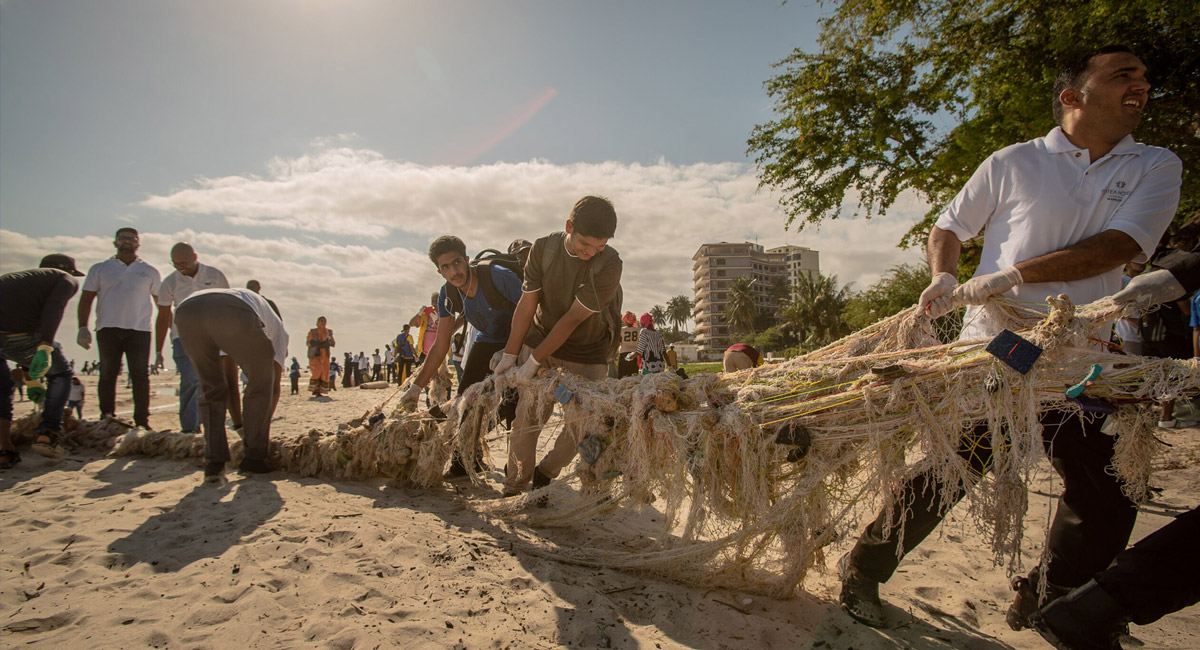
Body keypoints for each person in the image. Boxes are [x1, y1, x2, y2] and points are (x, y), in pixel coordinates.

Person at [837, 45, 1181, 630]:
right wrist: (945, 273)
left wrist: (1015, 274)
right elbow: (949, 225)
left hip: (1086, 352)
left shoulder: (1155, 164)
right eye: (1124, 75)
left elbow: (1121, 246)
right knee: (962, 461)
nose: (1141, 85)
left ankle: (1052, 594)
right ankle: (865, 567)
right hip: (1005, 345)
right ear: (1073, 97)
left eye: (1144, 78)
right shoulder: (1013, 161)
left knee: (1107, 483)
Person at [1030, 252, 1198, 650]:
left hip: (1089, 370)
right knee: (1101, 487)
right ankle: (1089, 606)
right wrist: (1176, 277)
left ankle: (1083, 603)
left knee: (1110, 493)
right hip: (1052, 370)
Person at [493, 196, 623, 497]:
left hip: (589, 351)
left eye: (599, 247)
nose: (591, 253)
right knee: (527, 419)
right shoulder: (543, 249)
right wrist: (511, 355)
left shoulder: (610, 264)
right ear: (569, 227)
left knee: (582, 424)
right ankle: (515, 486)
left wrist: (532, 363)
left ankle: (545, 473)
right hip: (542, 338)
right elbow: (527, 304)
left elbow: (572, 319)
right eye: (585, 245)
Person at [399, 235, 525, 475]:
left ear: (467, 259)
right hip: (488, 340)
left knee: (513, 406)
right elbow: (440, 345)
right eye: (445, 267)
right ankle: (463, 463)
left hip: (521, 339)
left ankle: (516, 469)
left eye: (457, 262)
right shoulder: (448, 294)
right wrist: (416, 388)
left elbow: (535, 311)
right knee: (465, 403)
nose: (454, 271)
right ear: (439, 271)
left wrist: (511, 350)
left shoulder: (498, 276)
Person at [174, 287, 288, 480]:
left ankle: (214, 462)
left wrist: (239, 425)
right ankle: (254, 459)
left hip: (187, 311)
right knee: (261, 383)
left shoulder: (247, 300)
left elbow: (228, 382)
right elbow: (271, 387)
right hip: (231, 310)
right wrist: (254, 435)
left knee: (211, 388)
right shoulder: (278, 329)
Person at [0, 254, 85, 465]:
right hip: (19, 334)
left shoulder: (19, 280)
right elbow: (54, 307)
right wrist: (46, 344)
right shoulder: (64, 278)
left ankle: (4, 449)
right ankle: (48, 432)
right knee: (61, 374)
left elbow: (17, 315)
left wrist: (32, 380)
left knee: (2, 389)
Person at [77, 228, 163, 428]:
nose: (127, 242)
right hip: (107, 328)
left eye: (132, 239)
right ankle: (107, 416)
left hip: (140, 330)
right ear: (115, 242)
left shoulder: (149, 271)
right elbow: (86, 299)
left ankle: (142, 421)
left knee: (140, 375)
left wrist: (170, 330)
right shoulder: (100, 269)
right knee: (107, 374)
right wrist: (83, 327)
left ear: (138, 244)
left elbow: (162, 304)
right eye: (122, 239)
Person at [154, 242, 230, 433]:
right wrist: (157, 351)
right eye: (176, 264)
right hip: (183, 338)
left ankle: (212, 425)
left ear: (195, 257)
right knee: (191, 380)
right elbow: (163, 318)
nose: (181, 267)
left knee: (212, 382)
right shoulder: (169, 283)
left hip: (212, 337)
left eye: (185, 263)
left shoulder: (215, 276)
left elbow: (227, 307)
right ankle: (190, 428)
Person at [306, 317, 335, 396]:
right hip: (315, 354)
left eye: (324, 321)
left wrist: (328, 341)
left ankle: (318, 391)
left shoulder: (329, 332)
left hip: (325, 355)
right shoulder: (313, 332)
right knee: (317, 371)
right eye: (321, 321)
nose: (323, 322)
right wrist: (316, 343)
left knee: (324, 372)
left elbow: (333, 343)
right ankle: (314, 389)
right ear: (317, 322)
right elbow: (308, 342)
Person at [411, 294, 440, 365]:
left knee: (437, 375)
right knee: (424, 374)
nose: (434, 303)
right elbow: (411, 324)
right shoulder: (426, 314)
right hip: (424, 353)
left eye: (436, 301)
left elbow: (448, 330)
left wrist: (437, 321)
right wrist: (418, 314)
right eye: (433, 301)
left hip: (438, 352)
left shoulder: (444, 314)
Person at [616, 311, 640, 377]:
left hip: (624, 354)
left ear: (625, 320)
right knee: (633, 376)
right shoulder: (638, 330)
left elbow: (618, 342)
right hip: (634, 355)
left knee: (622, 376)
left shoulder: (621, 330)